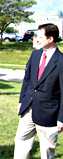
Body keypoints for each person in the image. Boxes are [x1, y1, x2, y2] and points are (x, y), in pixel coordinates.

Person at [14, 23, 63, 159]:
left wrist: (61, 119)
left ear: (51, 39)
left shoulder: (61, 61)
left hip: (49, 114)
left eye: (40, 37)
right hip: (28, 109)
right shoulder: (35, 54)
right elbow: (27, 80)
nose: (37, 40)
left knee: (46, 151)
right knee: (20, 142)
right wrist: (21, 101)